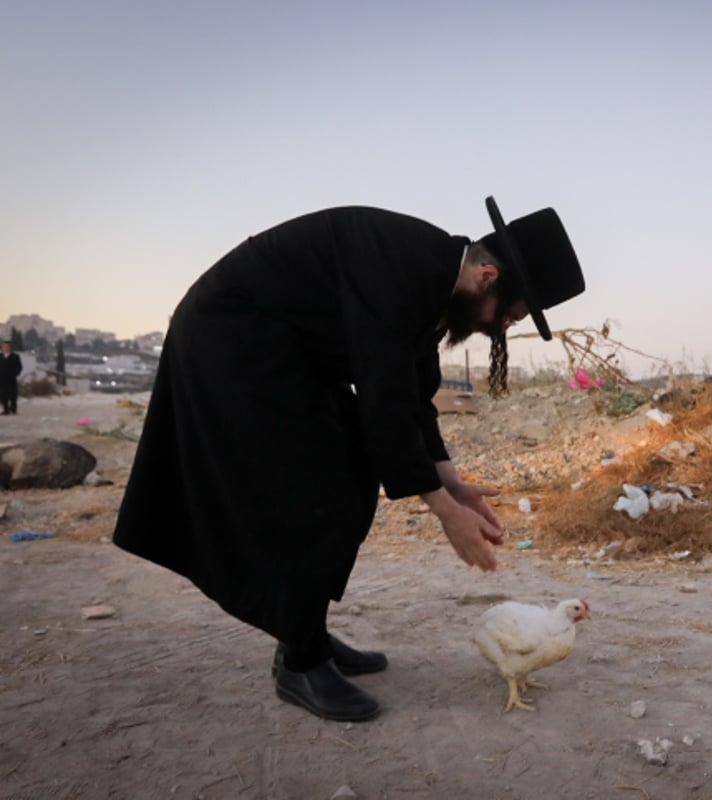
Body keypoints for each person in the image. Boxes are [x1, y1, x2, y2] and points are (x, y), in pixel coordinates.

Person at [112, 197, 585, 721]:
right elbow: (382, 397)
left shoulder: (432, 279)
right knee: (315, 493)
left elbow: (410, 395)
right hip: (232, 343)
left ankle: (304, 633)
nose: (499, 328)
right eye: (509, 315)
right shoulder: (405, 268)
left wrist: (452, 484)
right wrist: (445, 515)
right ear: (488, 276)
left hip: (284, 352)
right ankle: (301, 660)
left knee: (351, 479)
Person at [1, 340, 23, 415]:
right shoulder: (0, 356)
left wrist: (15, 374)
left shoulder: (15, 356)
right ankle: (6, 410)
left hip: (11, 379)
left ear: (10, 347)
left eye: (7, 346)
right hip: (2, 379)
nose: (5, 348)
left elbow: (19, 367)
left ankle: (13, 409)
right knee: (3, 395)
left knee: (13, 395)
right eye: (4, 346)